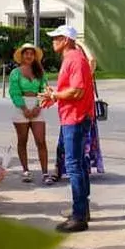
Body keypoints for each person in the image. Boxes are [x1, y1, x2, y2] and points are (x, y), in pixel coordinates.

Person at [39, 25, 94, 233]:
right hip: (73, 116)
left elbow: (77, 91)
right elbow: (70, 90)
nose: (53, 41)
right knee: (78, 164)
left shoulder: (74, 59)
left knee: (73, 166)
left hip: (76, 118)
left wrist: (54, 96)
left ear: (67, 40)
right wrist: (55, 96)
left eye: (57, 37)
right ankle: (82, 210)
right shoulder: (71, 59)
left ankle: (79, 215)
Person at [54, 41, 105, 180]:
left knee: (76, 155)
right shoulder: (73, 65)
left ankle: (66, 175)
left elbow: (92, 60)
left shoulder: (82, 66)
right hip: (74, 115)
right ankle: (60, 170)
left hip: (77, 115)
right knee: (70, 149)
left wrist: (81, 44)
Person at [8, 43, 53, 185]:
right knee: (22, 140)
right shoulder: (15, 73)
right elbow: (14, 92)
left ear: (34, 56)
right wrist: (24, 108)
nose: (29, 56)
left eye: (31, 54)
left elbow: (44, 89)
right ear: (21, 56)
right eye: (26, 53)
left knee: (41, 140)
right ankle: (25, 170)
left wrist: (38, 106)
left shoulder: (40, 72)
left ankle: (45, 172)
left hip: (37, 105)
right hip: (21, 106)